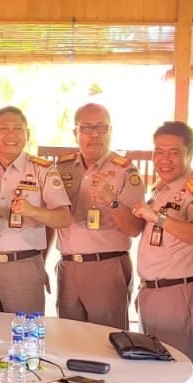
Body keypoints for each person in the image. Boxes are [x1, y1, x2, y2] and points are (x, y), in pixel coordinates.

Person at [131, 122, 193, 383]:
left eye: (174, 152)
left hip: (180, 290)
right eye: (159, 152)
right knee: (156, 368)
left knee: (182, 369)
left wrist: (158, 217)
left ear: (189, 154)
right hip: (153, 292)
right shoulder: (160, 189)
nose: (164, 159)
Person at [0, 106, 71, 314]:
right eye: (4, 128)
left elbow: (64, 218)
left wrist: (34, 211)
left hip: (23, 265)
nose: (11, 134)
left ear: (27, 134)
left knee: (24, 330)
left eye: (18, 128)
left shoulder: (43, 170)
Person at [52, 103, 144, 329]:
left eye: (102, 127)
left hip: (106, 266)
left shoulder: (125, 171)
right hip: (68, 267)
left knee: (107, 340)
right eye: (87, 128)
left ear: (111, 131)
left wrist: (111, 201)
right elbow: (51, 218)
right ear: (75, 132)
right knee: (69, 338)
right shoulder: (61, 168)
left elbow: (134, 228)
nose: (94, 135)